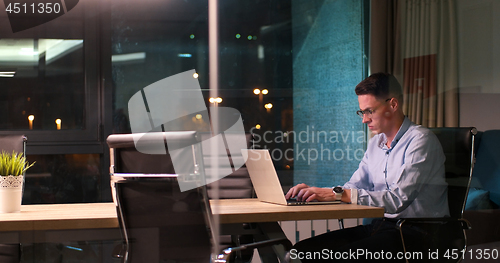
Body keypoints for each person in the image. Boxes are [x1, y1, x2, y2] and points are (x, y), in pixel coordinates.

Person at [285, 73, 449, 262]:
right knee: (298, 253)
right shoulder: (375, 143)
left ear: (393, 105)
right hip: (382, 226)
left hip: (418, 233)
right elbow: (354, 186)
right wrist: (316, 193)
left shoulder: (420, 140)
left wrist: (336, 194)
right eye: (362, 112)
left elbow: (398, 199)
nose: (364, 119)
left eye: (369, 111)